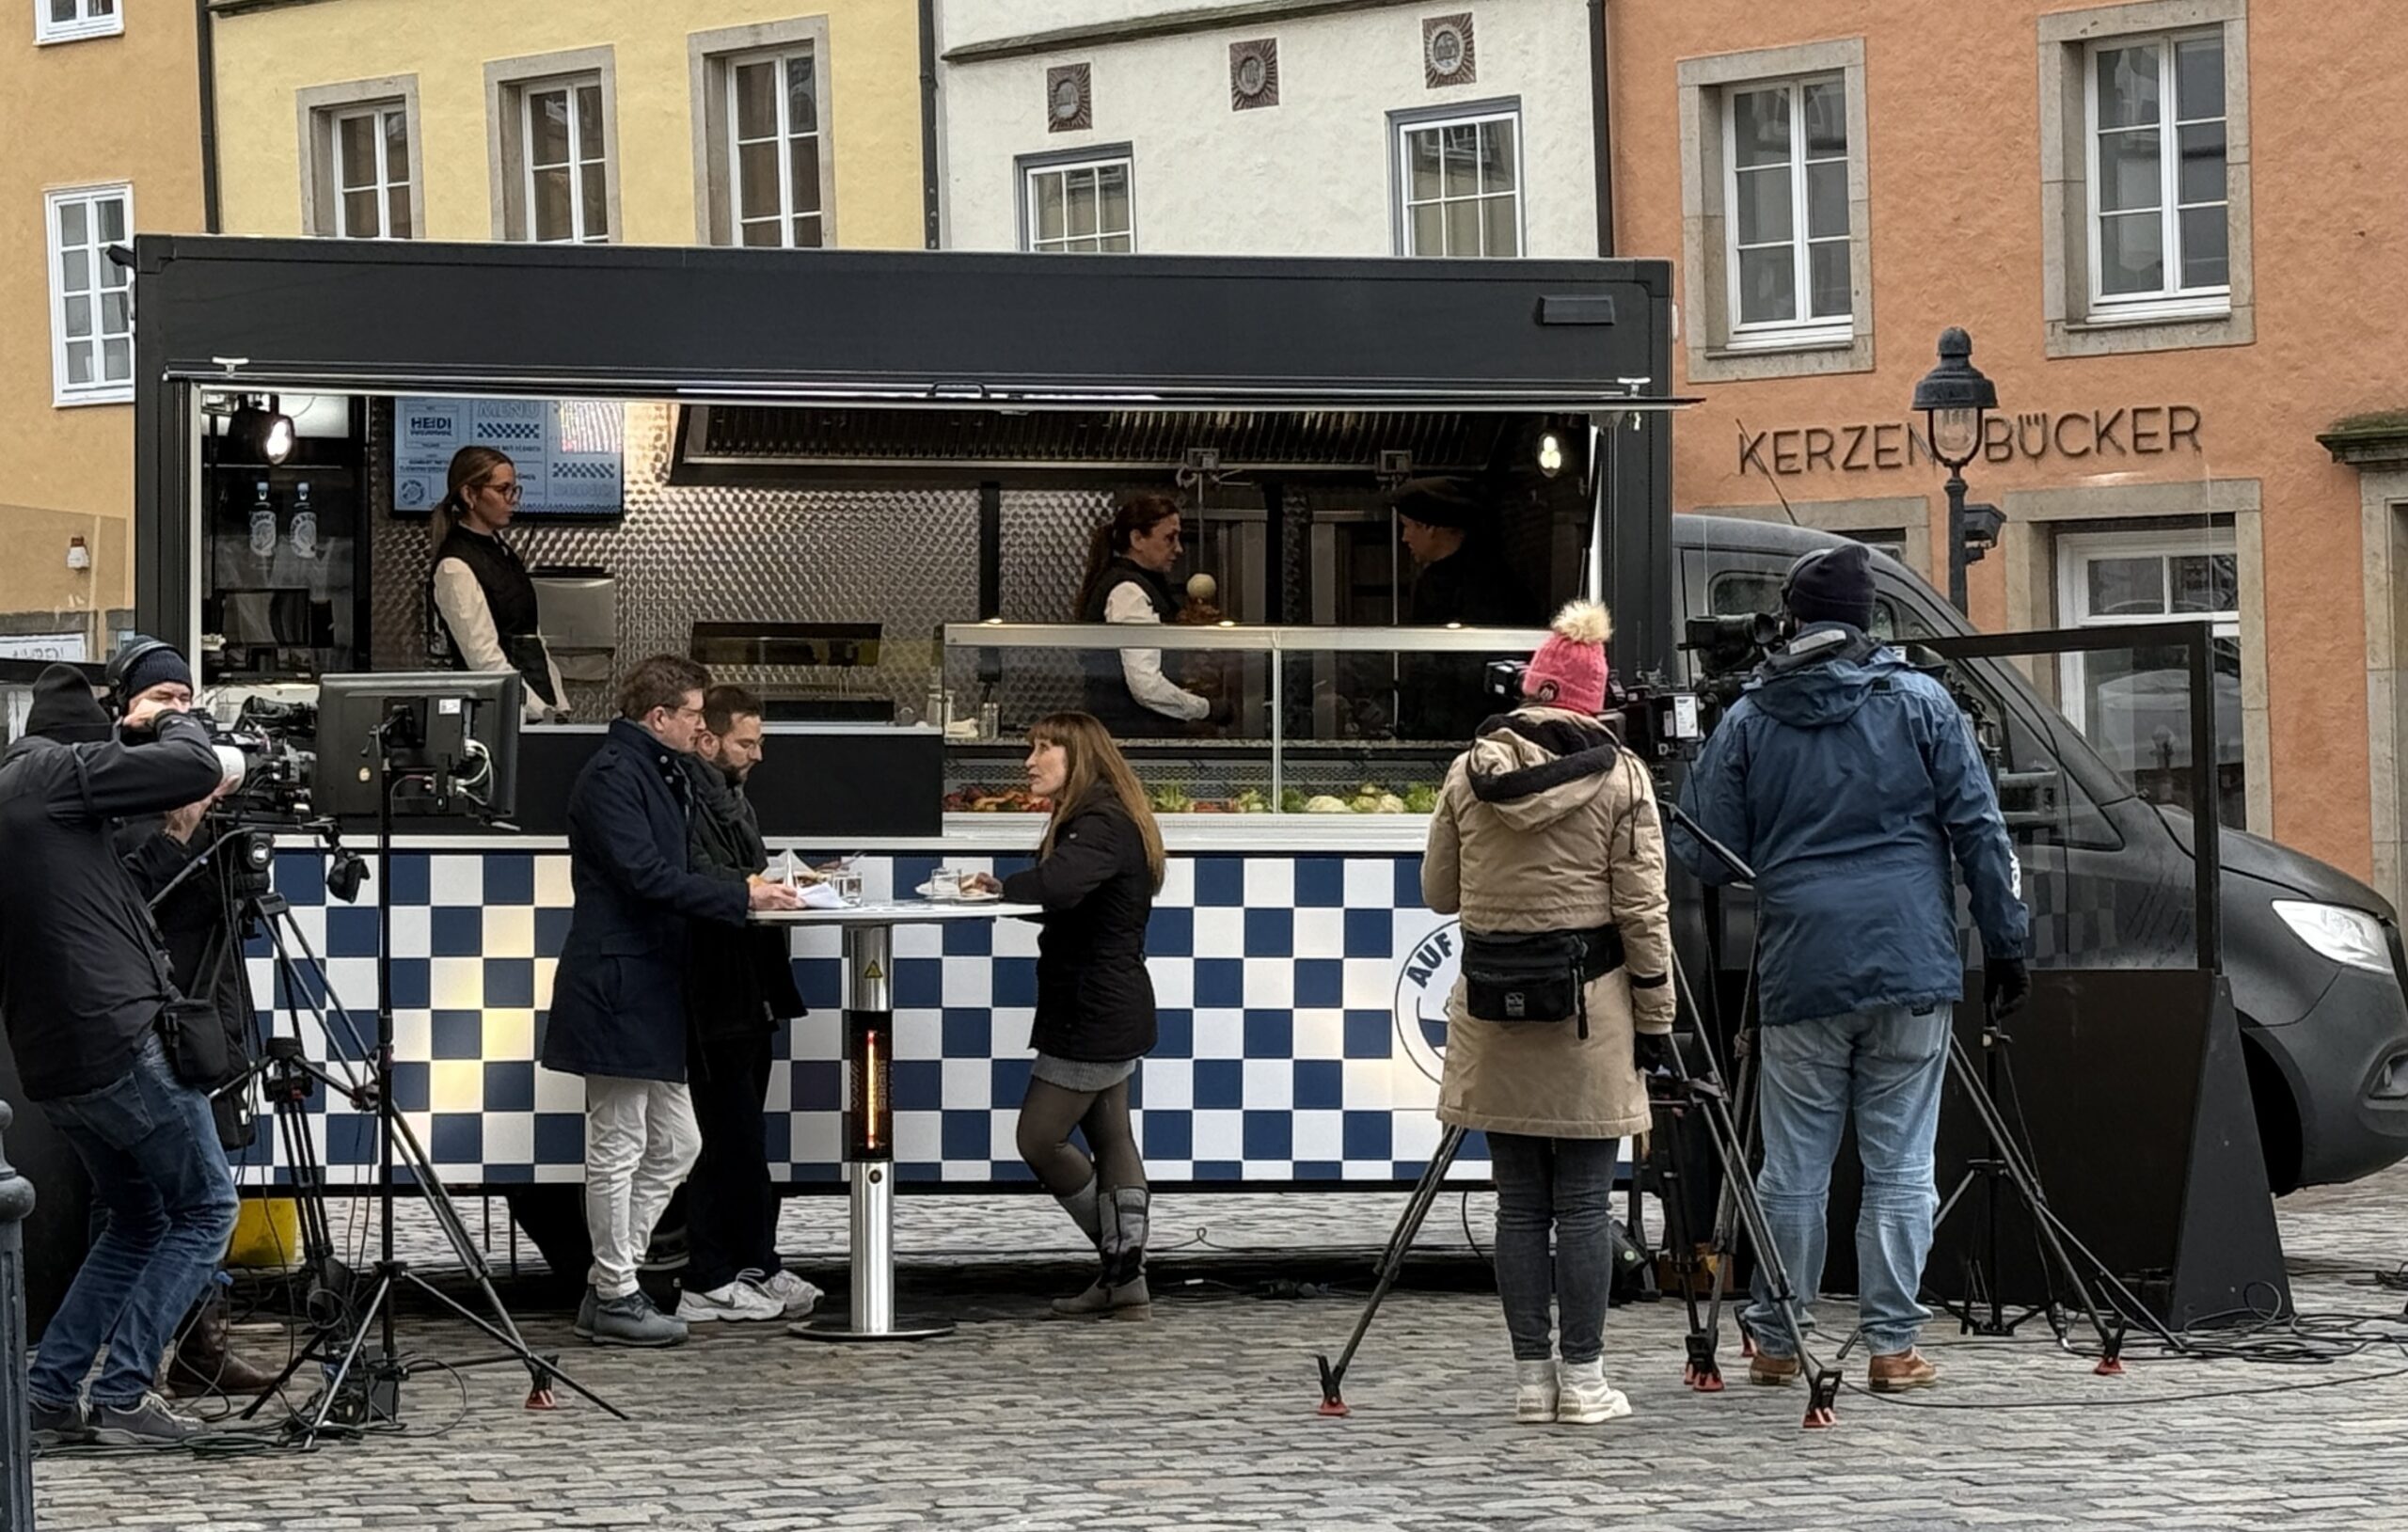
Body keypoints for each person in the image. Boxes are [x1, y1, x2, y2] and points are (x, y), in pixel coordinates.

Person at [1671, 541, 2030, 1393]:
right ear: (1868, 619)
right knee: (1901, 1162)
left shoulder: (1753, 716)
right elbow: (1982, 831)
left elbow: (1700, 847)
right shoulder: (1924, 703)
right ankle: (1891, 1347)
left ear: (1792, 620)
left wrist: (1780, 846)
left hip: (1802, 963)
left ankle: (1780, 1338)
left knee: (1794, 1161)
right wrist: (2007, 941)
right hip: (1912, 960)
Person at [1420, 600, 1673, 1426]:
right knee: (1585, 1204)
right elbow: (1644, 912)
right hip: (1590, 1013)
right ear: (1592, 702)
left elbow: (1438, 893)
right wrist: (1658, 1015)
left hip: (1495, 1009)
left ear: (1531, 689)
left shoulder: (1469, 770)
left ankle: (1531, 1380)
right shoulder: (1623, 776)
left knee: (1519, 1205)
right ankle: (1587, 1379)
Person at [0, 663, 244, 1446]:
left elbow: (111, 902)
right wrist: (170, 723)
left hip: (57, 1059)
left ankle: (47, 1394)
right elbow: (196, 763)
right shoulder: (53, 774)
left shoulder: (24, 806)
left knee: (139, 1218)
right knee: (207, 1207)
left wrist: (175, 834)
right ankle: (126, 1390)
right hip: (115, 1037)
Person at [540, 655, 800, 1348]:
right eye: (691, 713)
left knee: (679, 1140)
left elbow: (688, 858)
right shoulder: (614, 778)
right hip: (620, 982)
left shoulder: (660, 770)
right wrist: (741, 894)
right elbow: (647, 875)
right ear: (660, 718)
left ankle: (612, 1280)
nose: (699, 725)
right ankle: (616, 1288)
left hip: (649, 979)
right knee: (619, 1140)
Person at [105, 642, 280, 1400]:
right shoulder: (110, 788)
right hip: (148, 1011)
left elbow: (232, 899)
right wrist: (178, 824)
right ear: (129, 710)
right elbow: (124, 900)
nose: (179, 709)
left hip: (211, 1006)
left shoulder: (208, 783)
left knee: (213, 1176)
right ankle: (126, 1354)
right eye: (162, 697)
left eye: (187, 695)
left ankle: (203, 1345)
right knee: (152, 1199)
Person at [966, 712, 1165, 1319]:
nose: (1029, 761)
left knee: (1040, 1136)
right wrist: (1001, 891)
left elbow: (1059, 885)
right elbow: (1072, 900)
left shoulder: (1099, 821)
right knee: (1111, 1136)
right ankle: (1124, 1279)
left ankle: (1121, 1262)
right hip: (1110, 1001)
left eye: (1043, 747)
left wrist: (1001, 889)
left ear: (1079, 756)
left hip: (1093, 1009)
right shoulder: (1103, 814)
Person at [673, 685, 821, 1327]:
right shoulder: (688, 798)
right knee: (722, 1135)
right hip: (715, 985)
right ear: (708, 738)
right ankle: (710, 1273)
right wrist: (757, 885)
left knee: (744, 1134)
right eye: (747, 742)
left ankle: (753, 1261)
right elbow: (701, 873)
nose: (757, 755)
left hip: (748, 983)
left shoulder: (726, 797)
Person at [426, 445, 572, 725]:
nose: (512, 499)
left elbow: (532, 636)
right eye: (503, 489)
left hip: (536, 709)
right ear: (470, 495)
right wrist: (538, 710)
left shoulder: (502, 552)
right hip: (499, 716)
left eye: (514, 490)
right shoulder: (455, 567)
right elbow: (484, 660)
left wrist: (558, 702)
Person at [1390, 477, 1543, 742]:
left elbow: (1452, 671)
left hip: (1467, 733)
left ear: (1430, 527)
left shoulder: (1481, 585)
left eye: (1407, 526)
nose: (1404, 538)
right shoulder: (1498, 574)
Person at [1073, 493, 1210, 737]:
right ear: (1137, 538)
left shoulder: (1133, 584)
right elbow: (1145, 686)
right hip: (1132, 737)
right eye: (1169, 538)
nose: (1178, 549)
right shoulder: (1128, 592)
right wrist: (1205, 708)